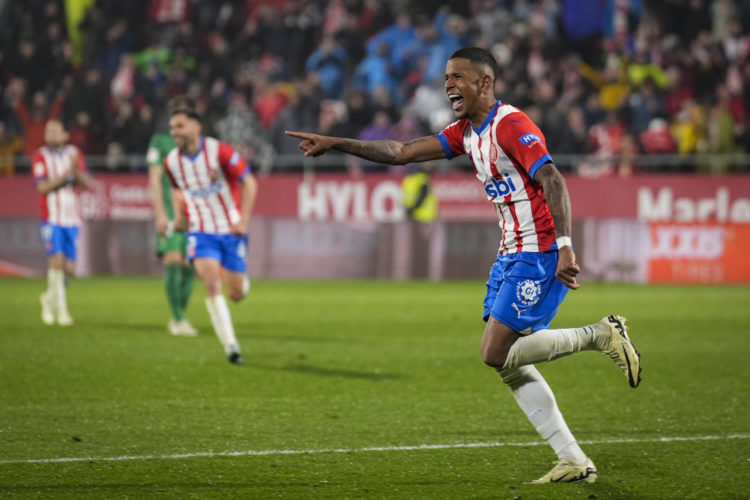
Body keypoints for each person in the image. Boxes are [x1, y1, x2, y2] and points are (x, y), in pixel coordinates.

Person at [286, 47, 642, 484]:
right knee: (507, 363)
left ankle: (600, 334)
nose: (449, 84)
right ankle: (572, 459)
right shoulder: (465, 133)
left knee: (494, 351)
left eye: (458, 76)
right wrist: (338, 142)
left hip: (541, 250)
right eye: (446, 77)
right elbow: (400, 151)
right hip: (511, 252)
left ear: (484, 83)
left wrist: (566, 246)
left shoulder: (511, 125)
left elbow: (552, 178)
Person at [162, 103, 258, 364]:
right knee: (211, 283)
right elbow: (175, 187)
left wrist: (244, 220)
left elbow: (249, 181)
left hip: (230, 228)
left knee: (236, 294)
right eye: (172, 128)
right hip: (200, 231)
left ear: (196, 126)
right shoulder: (171, 162)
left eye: (180, 126)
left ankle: (240, 282)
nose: (175, 132)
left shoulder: (220, 151)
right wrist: (180, 216)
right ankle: (231, 346)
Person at [147, 97, 198, 337]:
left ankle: (181, 317)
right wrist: (160, 212)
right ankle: (177, 318)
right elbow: (155, 178)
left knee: (190, 266)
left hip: (194, 213)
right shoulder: (160, 142)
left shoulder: (196, 145)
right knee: (173, 261)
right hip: (170, 211)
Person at [33, 119, 90, 326]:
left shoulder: (74, 154)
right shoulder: (40, 156)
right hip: (51, 218)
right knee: (55, 263)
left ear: (66, 135)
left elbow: (85, 183)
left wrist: (76, 171)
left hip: (71, 218)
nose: (51, 134)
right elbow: (42, 188)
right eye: (48, 131)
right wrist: (67, 173)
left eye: (56, 130)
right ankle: (62, 312)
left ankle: (48, 300)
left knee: (70, 269)